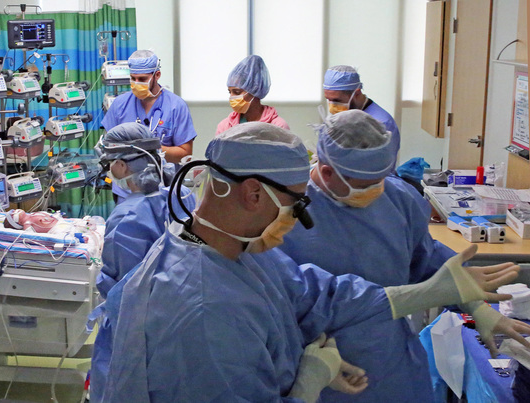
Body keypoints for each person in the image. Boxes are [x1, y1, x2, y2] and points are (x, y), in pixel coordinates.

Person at [101, 122, 528, 402]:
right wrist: (305, 386)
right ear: (253, 194)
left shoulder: (236, 251)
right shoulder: (204, 309)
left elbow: (318, 293)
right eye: (296, 205)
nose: (297, 218)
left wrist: (426, 293)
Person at [279, 109, 458, 402]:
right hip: (319, 363)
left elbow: (423, 258)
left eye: (380, 179)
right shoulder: (285, 213)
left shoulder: (397, 198)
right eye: (364, 185)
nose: (376, 191)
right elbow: (284, 295)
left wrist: (471, 298)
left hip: (389, 359)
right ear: (327, 172)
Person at [89, 122, 196, 402]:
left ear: (122, 165)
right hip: (182, 317)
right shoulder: (183, 196)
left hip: (138, 327)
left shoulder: (128, 217)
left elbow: (120, 291)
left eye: (110, 163)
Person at [101, 50, 198, 203]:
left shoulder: (175, 106)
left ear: (157, 75)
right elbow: (109, 147)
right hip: (127, 192)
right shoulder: (120, 105)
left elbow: (185, 154)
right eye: (133, 78)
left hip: (164, 191)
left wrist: (149, 149)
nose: (136, 83)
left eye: (142, 79)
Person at [323, 65, 400, 158]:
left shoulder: (382, 123)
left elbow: (379, 163)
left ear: (357, 93)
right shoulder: (345, 118)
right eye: (328, 99)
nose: (332, 106)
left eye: (337, 100)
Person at [216, 55, 289, 135]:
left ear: (254, 90)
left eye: (237, 92)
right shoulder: (225, 127)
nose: (231, 97)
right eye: (230, 92)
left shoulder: (278, 127)